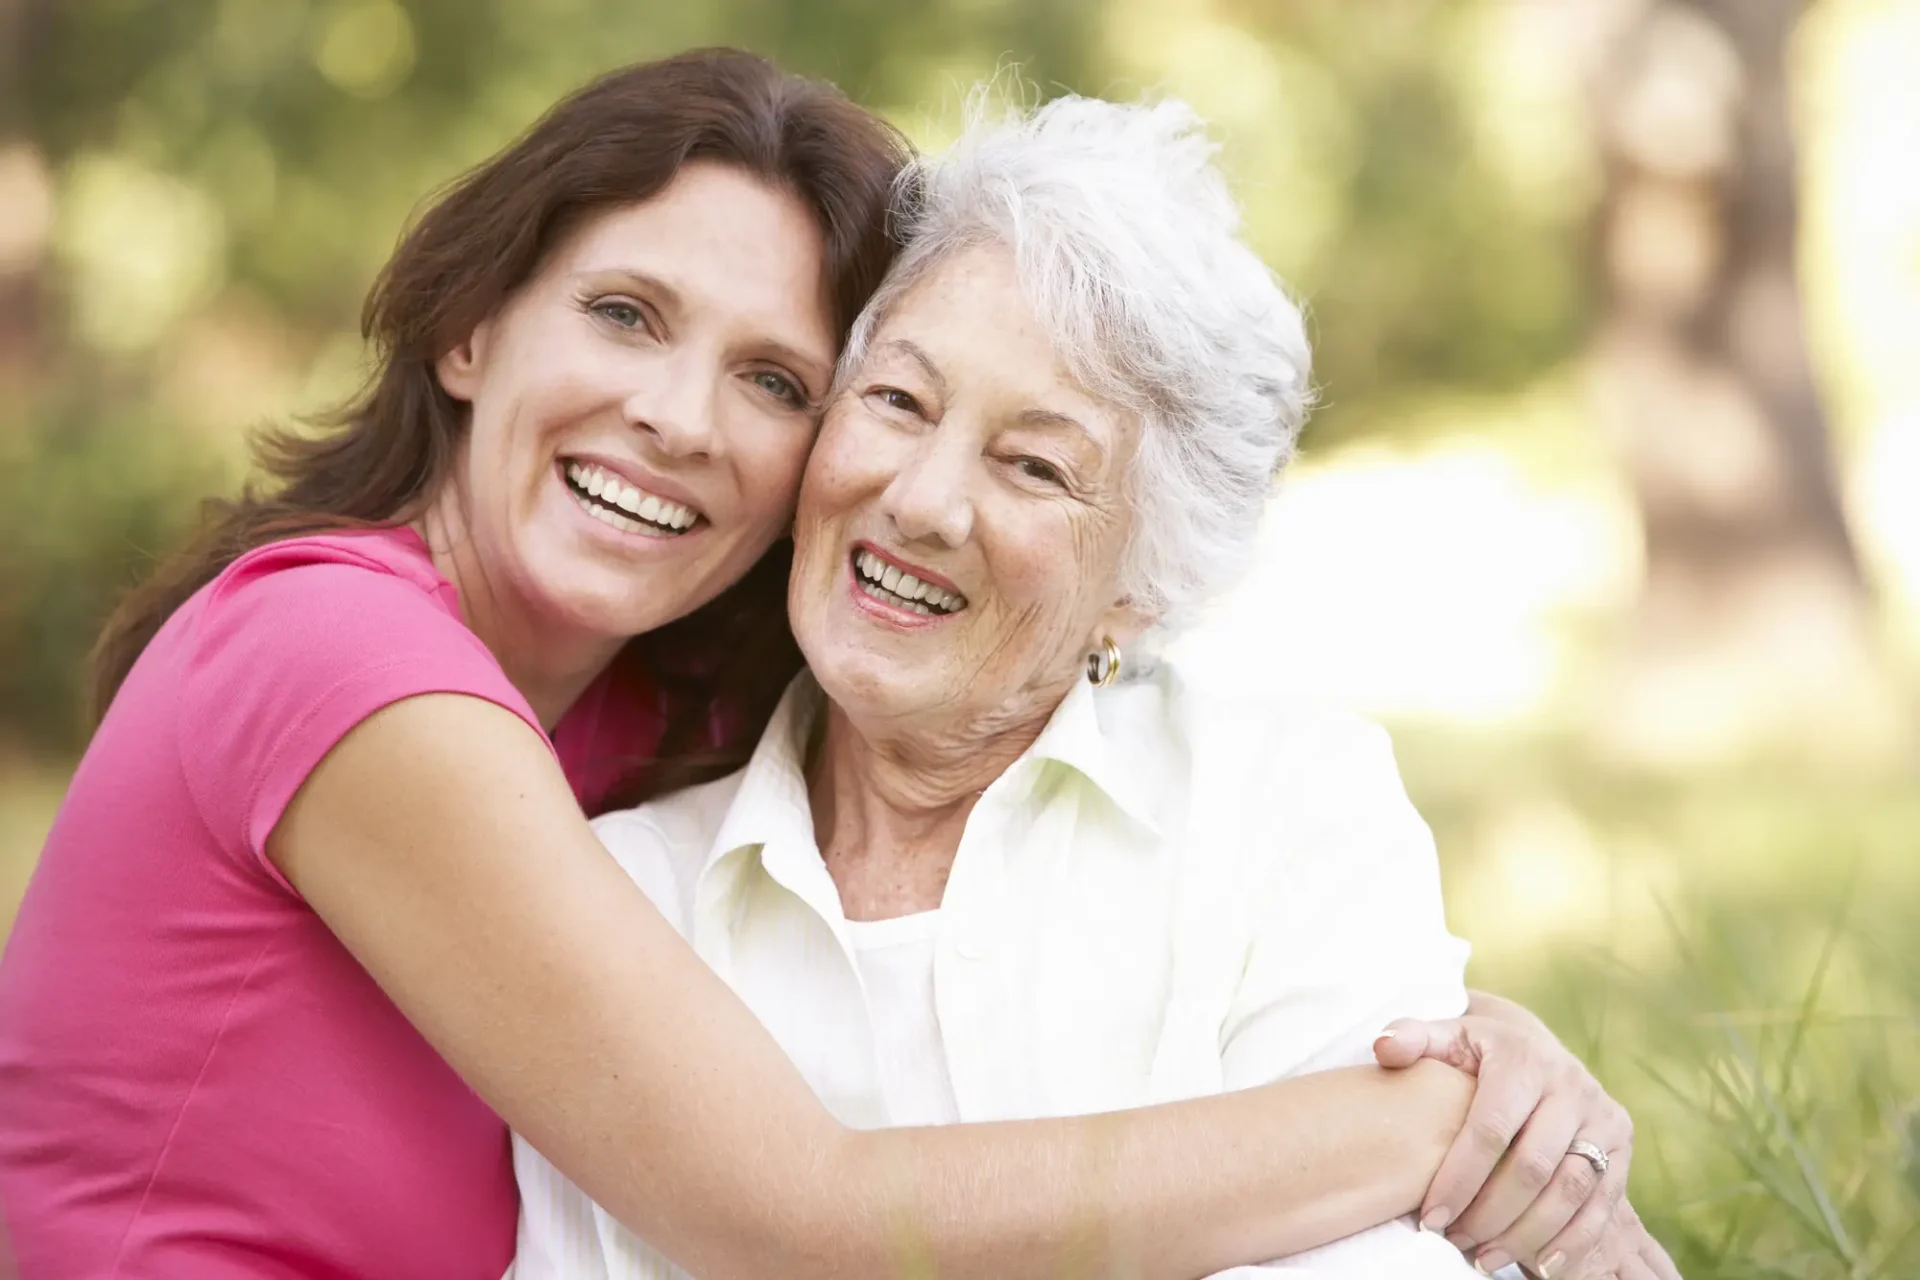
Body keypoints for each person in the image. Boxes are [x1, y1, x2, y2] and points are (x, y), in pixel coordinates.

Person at [0, 48, 1638, 1280]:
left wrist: (1474, 1032)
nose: (680, 415)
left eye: (778, 380)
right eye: (626, 314)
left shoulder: (646, 716)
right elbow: (795, 1215)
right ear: (472, 324)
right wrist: (1420, 1120)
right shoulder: (340, 658)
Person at [512, 94, 1678, 1280]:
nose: (922, 501)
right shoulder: (631, 892)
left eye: (1034, 464)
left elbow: (1382, 1259)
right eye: (899, 401)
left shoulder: (1284, 808)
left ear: (1141, 587)